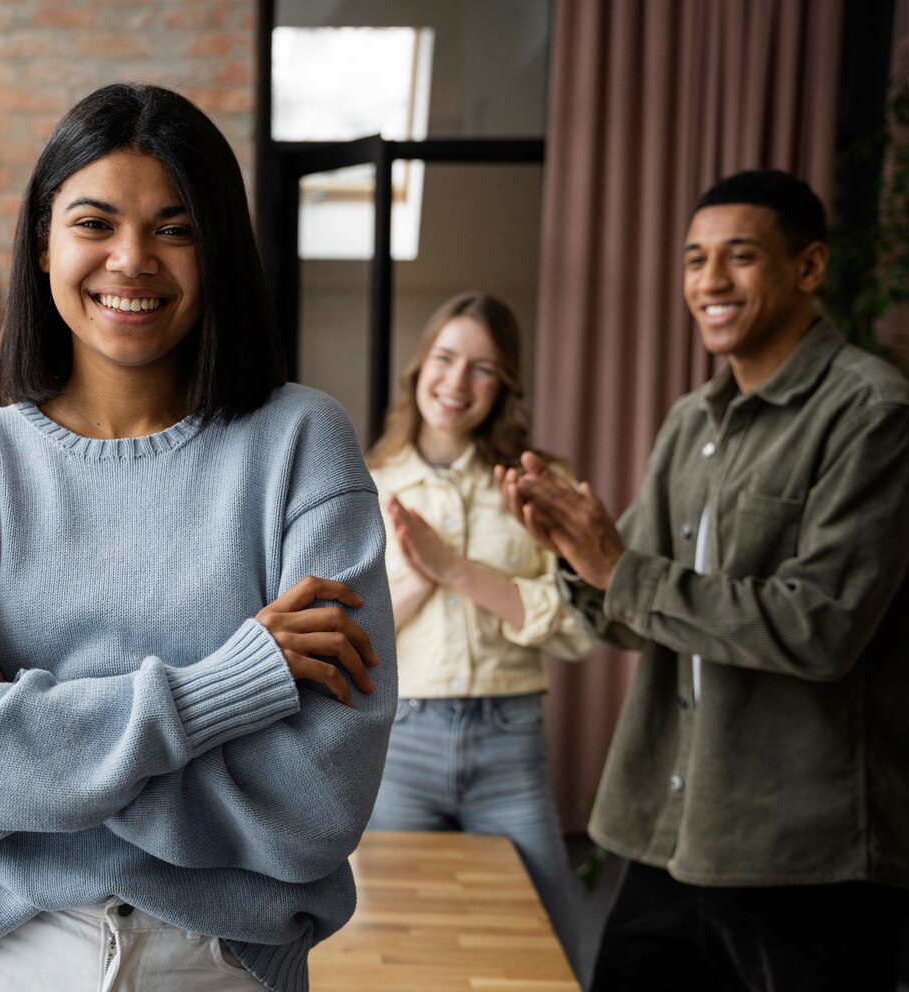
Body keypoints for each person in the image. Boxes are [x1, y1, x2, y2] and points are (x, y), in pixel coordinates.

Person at [0, 84, 397, 992]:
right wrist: (227, 689)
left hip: (221, 963)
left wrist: (13, 726)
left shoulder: (301, 444)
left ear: (219, 249)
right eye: (94, 222)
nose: (132, 261)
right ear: (42, 243)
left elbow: (318, 807)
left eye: (175, 228)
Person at [501, 169, 909, 990]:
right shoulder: (692, 420)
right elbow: (636, 611)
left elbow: (819, 627)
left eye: (740, 256)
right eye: (693, 260)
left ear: (810, 267)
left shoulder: (871, 412)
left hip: (806, 853)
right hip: (670, 832)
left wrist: (619, 567)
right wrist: (574, 556)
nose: (709, 282)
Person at [364, 291, 594, 969]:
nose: (457, 382)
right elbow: (350, 635)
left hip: (509, 741)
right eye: (445, 358)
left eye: (483, 368)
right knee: (390, 942)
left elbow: (576, 628)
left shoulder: (540, 483)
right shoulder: (365, 484)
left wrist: (454, 567)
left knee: (546, 942)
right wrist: (421, 577)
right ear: (418, 368)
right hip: (399, 742)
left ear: (507, 385)